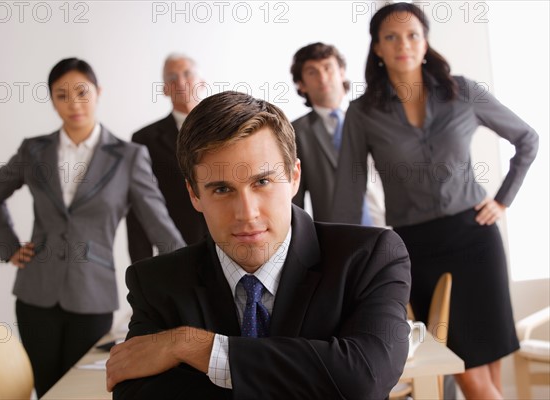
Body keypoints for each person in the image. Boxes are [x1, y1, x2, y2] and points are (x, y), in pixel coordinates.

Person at [106, 91, 411, 399]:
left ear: (294, 177)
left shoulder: (371, 257)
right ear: (194, 195)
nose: (247, 213)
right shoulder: (156, 283)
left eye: (262, 182)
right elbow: (136, 392)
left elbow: (364, 377)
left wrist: (193, 346)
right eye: (222, 189)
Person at [331, 3, 539, 399]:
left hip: (477, 240)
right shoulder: (363, 113)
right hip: (420, 252)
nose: (403, 44)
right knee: (469, 376)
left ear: (426, 42)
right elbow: (346, 194)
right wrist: (339, 265)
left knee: (487, 375)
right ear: (376, 47)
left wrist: (503, 200)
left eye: (412, 35)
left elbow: (527, 139)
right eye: (390, 37)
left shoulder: (464, 92)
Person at [0, 58, 186, 397]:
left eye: (81, 92)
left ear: (98, 92)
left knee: (86, 391)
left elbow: (161, 229)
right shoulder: (34, 150)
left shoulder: (129, 156)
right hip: (36, 292)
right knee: (47, 389)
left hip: (93, 294)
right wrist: (9, 246)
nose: (73, 103)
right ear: (51, 99)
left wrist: (175, 292)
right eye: (61, 95)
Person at [290, 42, 385, 226]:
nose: (323, 77)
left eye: (328, 68)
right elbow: (295, 201)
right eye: (312, 72)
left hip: (390, 223)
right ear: (301, 84)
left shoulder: (372, 118)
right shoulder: (296, 133)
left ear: (342, 72)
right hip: (339, 235)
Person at [126, 54, 208, 262]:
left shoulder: (228, 129)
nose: (180, 82)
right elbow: (138, 206)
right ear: (164, 89)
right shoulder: (144, 139)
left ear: (202, 82)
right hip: (175, 250)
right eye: (172, 78)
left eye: (187, 74)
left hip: (229, 245)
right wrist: (140, 267)